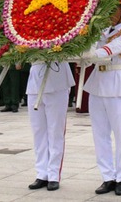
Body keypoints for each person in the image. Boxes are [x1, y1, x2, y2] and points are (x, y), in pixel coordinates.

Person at [83, 0, 121, 196]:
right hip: (98, 83)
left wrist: (89, 54)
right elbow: (88, 51)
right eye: (108, 10)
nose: (111, 14)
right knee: (100, 135)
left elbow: (110, 50)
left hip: (117, 83)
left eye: (115, 10)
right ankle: (107, 177)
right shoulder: (101, 31)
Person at [26, 60, 75, 192]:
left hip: (57, 80)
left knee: (55, 131)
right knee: (38, 132)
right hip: (35, 81)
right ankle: (41, 173)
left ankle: (53, 174)